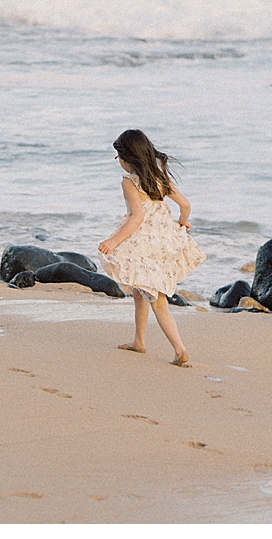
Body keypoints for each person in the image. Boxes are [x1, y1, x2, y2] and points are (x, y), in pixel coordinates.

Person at [97, 129, 206, 367]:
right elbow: (185, 204)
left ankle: (179, 350)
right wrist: (182, 222)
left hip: (143, 243)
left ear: (128, 158)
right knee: (140, 288)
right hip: (163, 242)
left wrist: (113, 242)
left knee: (157, 300)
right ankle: (139, 341)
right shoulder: (160, 177)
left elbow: (136, 218)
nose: (119, 163)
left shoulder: (129, 182)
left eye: (119, 158)